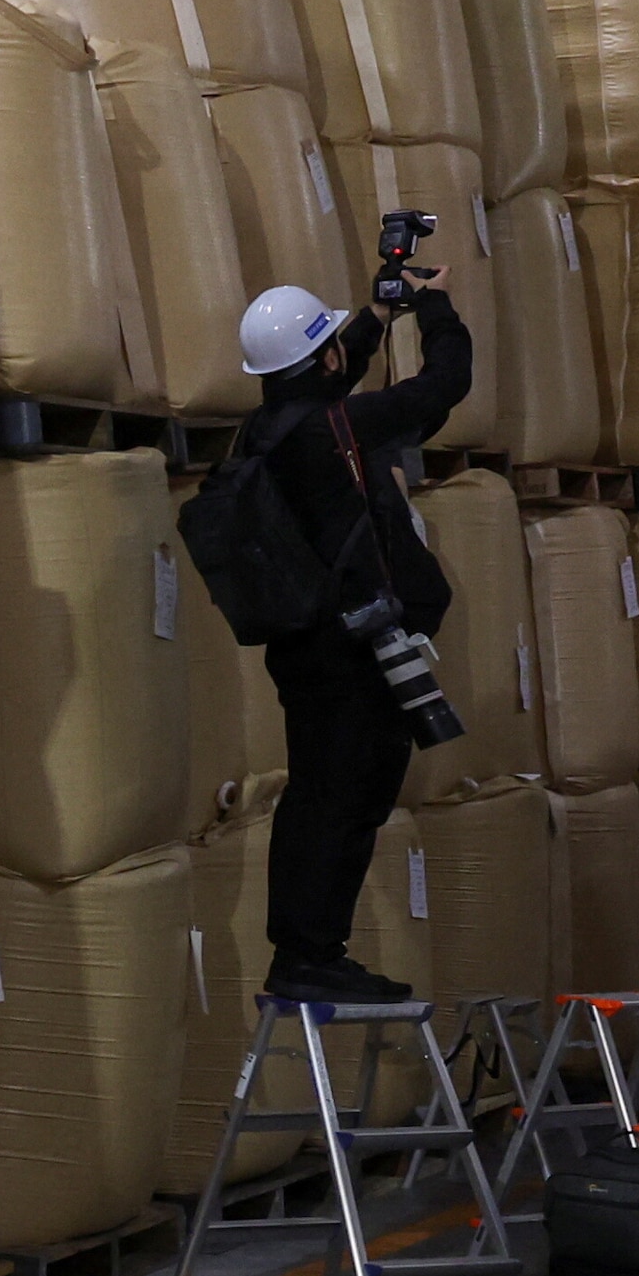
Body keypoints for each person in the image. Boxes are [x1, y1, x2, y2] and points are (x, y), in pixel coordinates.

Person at [234, 265, 473, 1005]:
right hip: (348, 651)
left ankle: (313, 950)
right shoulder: (332, 430)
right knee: (337, 801)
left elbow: (325, 379)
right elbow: (445, 384)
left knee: (333, 795)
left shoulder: (270, 429)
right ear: (326, 356)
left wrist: (375, 314)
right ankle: (308, 955)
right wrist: (435, 307)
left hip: (310, 646)